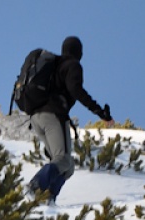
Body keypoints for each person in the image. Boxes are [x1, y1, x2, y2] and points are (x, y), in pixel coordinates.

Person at [28, 36, 113, 202]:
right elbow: (76, 90)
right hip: (53, 116)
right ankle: (35, 187)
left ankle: (47, 199)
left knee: (68, 167)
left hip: (36, 118)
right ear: (79, 52)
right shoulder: (72, 66)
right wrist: (99, 112)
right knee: (62, 160)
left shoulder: (54, 66)